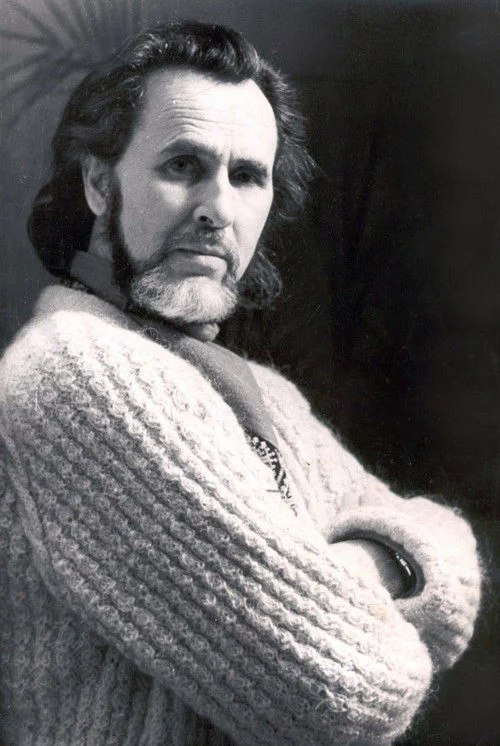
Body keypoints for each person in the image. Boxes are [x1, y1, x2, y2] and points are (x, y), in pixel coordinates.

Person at [0, 20, 482, 746]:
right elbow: (350, 690)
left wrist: (347, 568)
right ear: (99, 184)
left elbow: (455, 550)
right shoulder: (74, 374)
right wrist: (375, 579)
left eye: (247, 176)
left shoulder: (263, 393)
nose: (217, 210)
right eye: (182, 165)